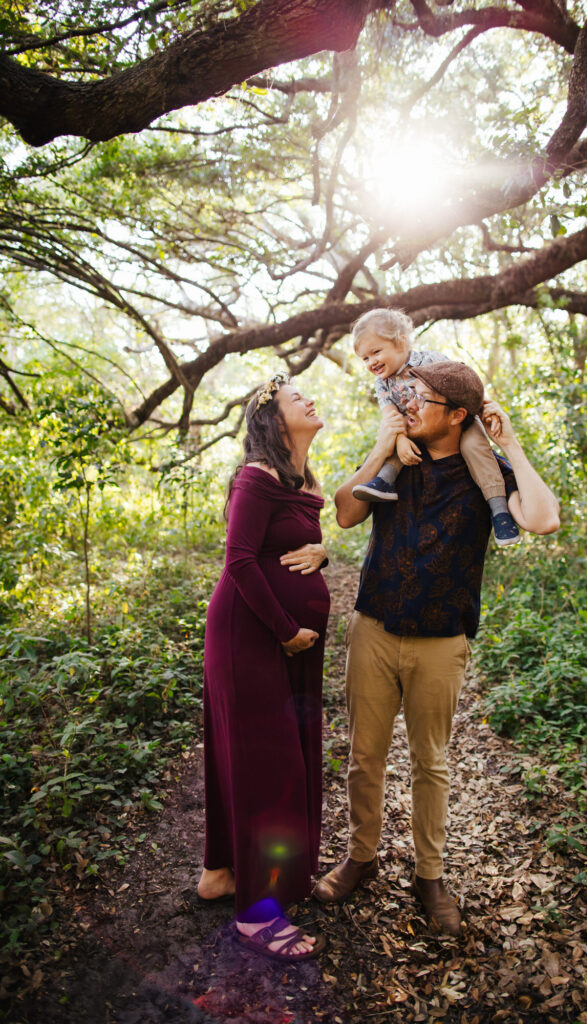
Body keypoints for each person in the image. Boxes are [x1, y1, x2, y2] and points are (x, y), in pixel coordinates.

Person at [312, 359, 559, 936]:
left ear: (457, 416)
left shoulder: (484, 475)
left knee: (431, 763)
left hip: (443, 640)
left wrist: (512, 444)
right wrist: (380, 447)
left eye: (420, 398)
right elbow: (347, 515)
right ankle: (361, 858)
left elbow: (544, 520)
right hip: (373, 627)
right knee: (364, 758)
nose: (407, 404)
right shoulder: (397, 463)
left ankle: (430, 874)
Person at [198, 373, 330, 961]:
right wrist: (285, 631)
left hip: (284, 641)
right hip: (252, 637)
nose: (306, 398)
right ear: (274, 421)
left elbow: (301, 539)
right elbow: (240, 561)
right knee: (267, 764)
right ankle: (257, 913)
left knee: (260, 757)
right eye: (292, 397)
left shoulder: (299, 480)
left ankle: (221, 873)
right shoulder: (255, 477)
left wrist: (324, 551)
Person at [350, 308, 520, 545]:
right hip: (415, 426)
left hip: (458, 420)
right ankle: (385, 481)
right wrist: (400, 440)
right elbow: (390, 415)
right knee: (394, 439)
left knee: (475, 448)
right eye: (365, 358)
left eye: (376, 352)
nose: (372, 363)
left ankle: (499, 511)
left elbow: (464, 385)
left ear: (400, 342)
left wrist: (484, 411)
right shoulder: (382, 383)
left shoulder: (432, 361)